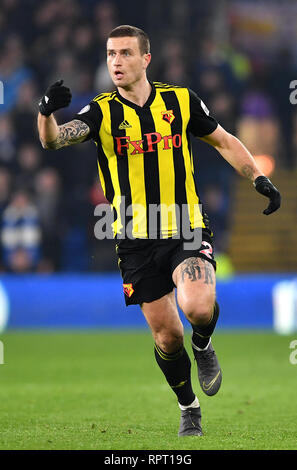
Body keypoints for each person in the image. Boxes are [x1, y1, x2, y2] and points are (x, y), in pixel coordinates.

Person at [37, 25, 281, 437]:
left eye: (125, 54)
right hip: (134, 235)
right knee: (168, 336)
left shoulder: (180, 100)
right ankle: (189, 408)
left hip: (185, 223)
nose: (116, 61)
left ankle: (202, 344)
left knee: (199, 309)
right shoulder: (100, 111)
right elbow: (54, 142)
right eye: (111, 54)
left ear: (145, 59)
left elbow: (222, 140)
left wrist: (258, 177)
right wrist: (45, 112)